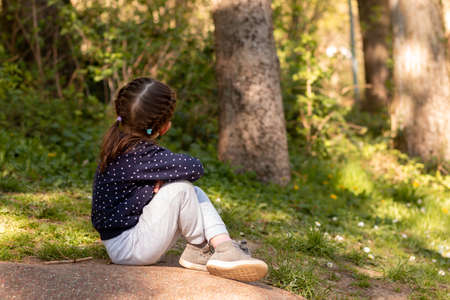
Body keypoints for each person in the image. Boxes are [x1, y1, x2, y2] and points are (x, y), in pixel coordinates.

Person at [91, 77, 268, 282]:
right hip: (129, 247)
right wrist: (165, 182)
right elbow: (194, 167)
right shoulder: (140, 154)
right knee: (182, 189)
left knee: (192, 191)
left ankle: (224, 246)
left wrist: (158, 183)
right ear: (165, 126)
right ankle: (200, 248)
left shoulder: (119, 144)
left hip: (123, 241)